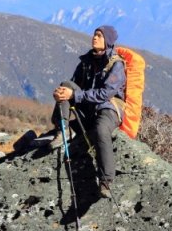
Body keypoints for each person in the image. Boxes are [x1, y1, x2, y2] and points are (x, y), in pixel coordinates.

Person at [51, 25, 126, 198]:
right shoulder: (85, 62)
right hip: (88, 109)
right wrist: (61, 94)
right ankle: (62, 129)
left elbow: (106, 93)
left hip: (108, 109)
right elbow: (73, 86)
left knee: (101, 131)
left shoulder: (116, 64)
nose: (94, 38)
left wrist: (75, 95)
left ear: (107, 40)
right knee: (65, 85)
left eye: (99, 36)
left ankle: (106, 181)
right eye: (94, 35)